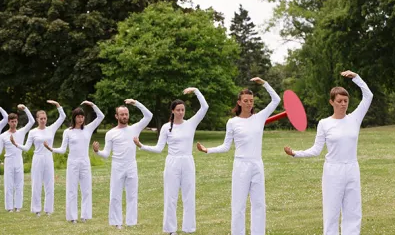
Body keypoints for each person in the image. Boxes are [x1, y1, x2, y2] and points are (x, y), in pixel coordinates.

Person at [284, 70, 373, 235]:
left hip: (352, 168)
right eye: (339, 101)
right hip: (333, 171)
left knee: (353, 212)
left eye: (346, 101)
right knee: (331, 213)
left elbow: (368, 96)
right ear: (331, 102)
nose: (343, 104)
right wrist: (295, 153)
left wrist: (357, 78)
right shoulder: (324, 123)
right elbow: (316, 150)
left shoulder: (354, 118)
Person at [196, 77, 280, 235]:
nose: (249, 103)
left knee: (259, 204)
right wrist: (208, 150)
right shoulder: (232, 122)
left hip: (257, 164)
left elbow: (276, 100)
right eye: (246, 100)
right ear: (239, 102)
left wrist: (264, 83)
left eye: (251, 100)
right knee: (238, 205)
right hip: (241, 166)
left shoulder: (260, 117)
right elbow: (226, 146)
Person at [133, 88, 208, 235]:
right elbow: (159, 148)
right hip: (172, 163)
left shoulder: (191, 123)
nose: (181, 112)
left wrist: (196, 91)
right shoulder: (166, 128)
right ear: (173, 111)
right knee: (171, 197)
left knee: (189, 196)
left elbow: (205, 107)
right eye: (178, 110)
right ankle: (170, 229)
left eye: (183, 109)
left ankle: (189, 229)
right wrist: (141, 146)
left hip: (187, 161)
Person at [92, 99, 153, 229]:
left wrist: (136, 103)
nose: (124, 116)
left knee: (132, 194)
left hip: (131, 164)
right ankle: (116, 222)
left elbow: (149, 115)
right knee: (115, 195)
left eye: (126, 114)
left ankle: (131, 222)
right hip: (117, 165)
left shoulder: (135, 128)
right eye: (122, 114)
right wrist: (97, 152)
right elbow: (106, 154)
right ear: (116, 116)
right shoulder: (110, 133)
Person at [43, 101, 104, 223]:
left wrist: (91, 105)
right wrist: (51, 149)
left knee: (86, 190)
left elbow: (101, 116)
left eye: (82, 116)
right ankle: (72, 217)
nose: (80, 119)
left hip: (85, 162)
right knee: (71, 190)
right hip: (73, 163)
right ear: (74, 118)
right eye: (78, 116)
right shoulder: (68, 132)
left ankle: (85, 215)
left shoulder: (88, 129)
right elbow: (62, 149)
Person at [10, 100, 66, 216]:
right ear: (37, 119)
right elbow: (26, 148)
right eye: (41, 118)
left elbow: (62, 117)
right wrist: (16, 144)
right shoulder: (32, 132)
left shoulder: (51, 128)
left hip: (48, 157)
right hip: (37, 158)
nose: (43, 120)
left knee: (49, 184)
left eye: (45, 118)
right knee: (36, 184)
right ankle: (36, 209)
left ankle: (48, 210)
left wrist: (57, 105)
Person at [0, 104, 35, 212]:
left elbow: (32, 121)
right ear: (8, 122)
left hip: (18, 160)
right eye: (11, 121)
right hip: (8, 161)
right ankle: (9, 207)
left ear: (17, 122)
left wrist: (25, 109)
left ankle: (18, 207)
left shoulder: (21, 132)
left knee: (19, 184)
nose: (13, 123)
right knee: (9, 185)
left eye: (15, 121)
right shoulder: (3, 136)